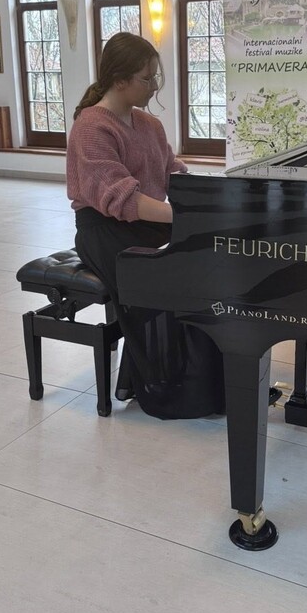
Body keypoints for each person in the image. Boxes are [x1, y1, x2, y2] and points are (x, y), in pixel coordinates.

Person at [66, 31, 225, 419]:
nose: (154, 86)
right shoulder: (92, 127)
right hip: (105, 230)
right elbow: (122, 198)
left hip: (147, 223)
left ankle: (209, 380)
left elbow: (174, 172)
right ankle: (169, 387)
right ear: (119, 80)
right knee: (165, 281)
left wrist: (211, 197)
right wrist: (184, 216)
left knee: (207, 264)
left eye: (155, 76)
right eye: (147, 78)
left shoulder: (149, 124)